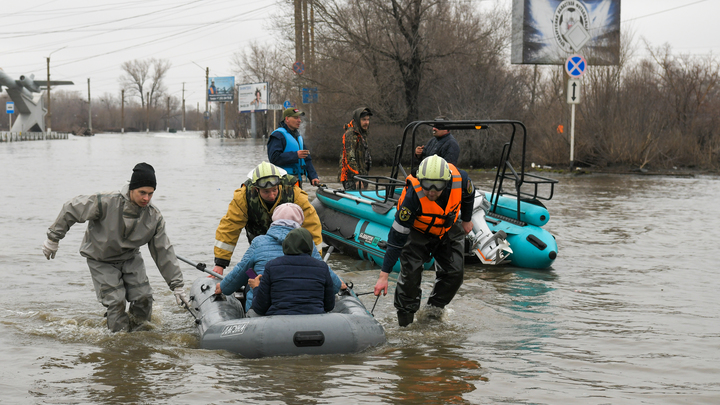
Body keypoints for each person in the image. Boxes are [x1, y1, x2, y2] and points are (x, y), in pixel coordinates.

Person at [42, 163, 187, 332]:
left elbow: (163, 251)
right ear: (131, 189)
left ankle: (140, 339)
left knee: (144, 298)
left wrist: (177, 285)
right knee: (116, 301)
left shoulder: (154, 216)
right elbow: (71, 208)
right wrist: (53, 238)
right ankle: (118, 339)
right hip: (100, 259)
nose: (146, 198)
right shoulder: (105, 202)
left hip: (130, 258)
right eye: (142, 193)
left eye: (150, 193)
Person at [373, 155, 474, 327]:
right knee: (410, 278)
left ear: (447, 182)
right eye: (427, 185)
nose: (432, 191)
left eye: (438, 186)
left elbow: (469, 196)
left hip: (446, 229)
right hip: (417, 232)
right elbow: (397, 237)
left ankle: (432, 312)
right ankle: (405, 323)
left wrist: (466, 219)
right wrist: (384, 275)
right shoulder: (412, 197)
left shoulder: (461, 179)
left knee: (455, 274)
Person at [215, 203, 344, 312]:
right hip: (307, 311)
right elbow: (324, 272)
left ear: (274, 220)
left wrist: (224, 287)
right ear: (300, 222)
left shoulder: (259, 242)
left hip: (264, 309)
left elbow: (242, 270)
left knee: (251, 274)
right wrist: (340, 285)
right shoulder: (308, 243)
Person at [212, 161, 323, 275]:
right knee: (249, 272)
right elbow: (230, 226)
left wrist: (316, 260)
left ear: (279, 184)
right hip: (260, 248)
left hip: (291, 250)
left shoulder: (294, 193)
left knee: (250, 273)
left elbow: (311, 225)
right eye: (266, 192)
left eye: (274, 190)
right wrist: (220, 263)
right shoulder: (243, 197)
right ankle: (251, 281)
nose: (271, 195)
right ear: (256, 189)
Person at [250, 227, 336, 316]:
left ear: (286, 245)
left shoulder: (271, 266)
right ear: (310, 246)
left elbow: (260, 308)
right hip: (314, 323)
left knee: (251, 313)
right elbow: (329, 305)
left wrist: (256, 287)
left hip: (279, 323)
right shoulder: (322, 267)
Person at [267, 107, 320, 188]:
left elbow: (306, 159)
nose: (299, 120)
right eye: (296, 118)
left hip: (297, 180)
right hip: (282, 181)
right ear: (287, 119)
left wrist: (313, 176)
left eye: (299, 118)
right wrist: (295, 155)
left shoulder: (298, 137)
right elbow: (274, 158)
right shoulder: (278, 135)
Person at [338, 107, 373, 190]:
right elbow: (350, 158)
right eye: (364, 120)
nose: (366, 122)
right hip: (351, 178)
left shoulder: (362, 133)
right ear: (358, 120)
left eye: (368, 120)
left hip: (362, 175)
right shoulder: (351, 134)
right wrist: (356, 177)